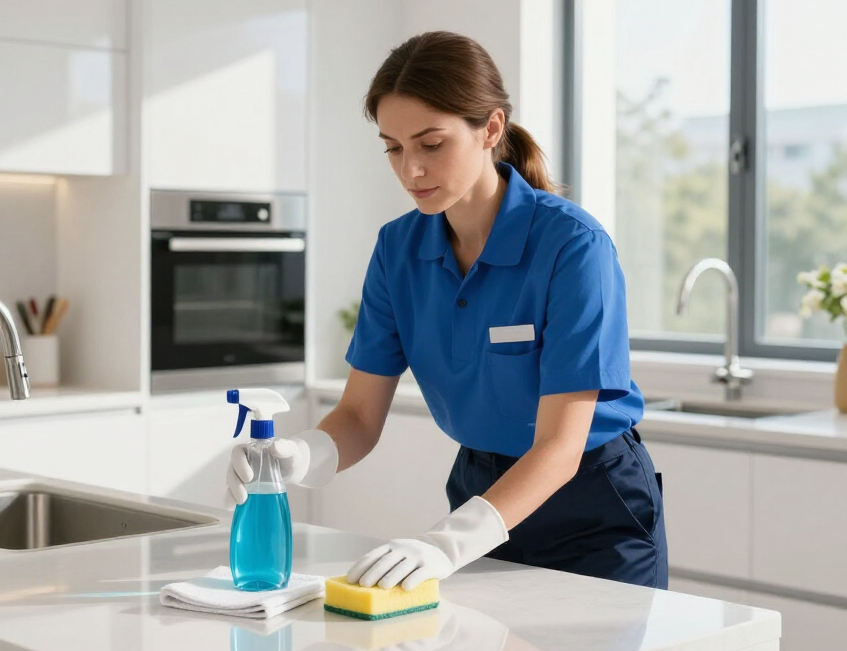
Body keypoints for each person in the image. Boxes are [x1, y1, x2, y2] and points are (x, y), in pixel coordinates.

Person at [226, 31, 667, 592]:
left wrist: (447, 545)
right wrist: (297, 454)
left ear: (491, 129)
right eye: (393, 147)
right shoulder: (398, 249)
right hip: (479, 489)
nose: (410, 169)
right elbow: (361, 416)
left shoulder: (571, 246)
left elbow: (560, 447)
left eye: (431, 144)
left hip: (590, 506)